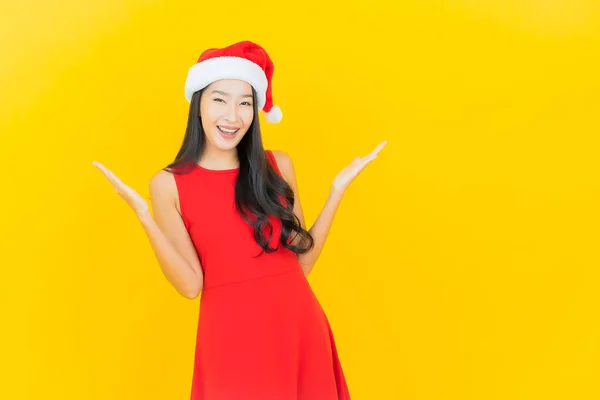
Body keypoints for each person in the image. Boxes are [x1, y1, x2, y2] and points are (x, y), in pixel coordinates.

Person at [93, 40, 386, 400]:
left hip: (299, 331)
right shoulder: (168, 184)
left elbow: (301, 264)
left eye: (244, 102)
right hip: (230, 342)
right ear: (198, 103)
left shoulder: (278, 165)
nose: (233, 116)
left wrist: (335, 194)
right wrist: (145, 217)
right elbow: (189, 285)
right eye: (219, 99)